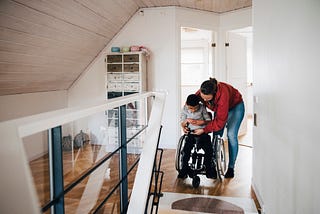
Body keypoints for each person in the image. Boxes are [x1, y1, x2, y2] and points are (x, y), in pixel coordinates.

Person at [192, 78, 245, 178]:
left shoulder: (223, 95)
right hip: (220, 109)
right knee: (216, 135)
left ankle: (231, 167)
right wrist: (186, 122)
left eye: (207, 99)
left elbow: (220, 122)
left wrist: (204, 129)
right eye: (203, 98)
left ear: (214, 93)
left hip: (235, 107)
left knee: (231, 135)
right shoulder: (201, 93)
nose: (204, 100)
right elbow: (191, 106)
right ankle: (212, 161)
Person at [178, 94, 217, 179]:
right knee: (186, 150)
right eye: (190, 108)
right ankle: (184, 169)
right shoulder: (185, 109)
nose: (192, 110)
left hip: (202, 133)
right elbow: (182, 123)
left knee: (209, 150)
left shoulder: (202, 108)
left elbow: (208, 120)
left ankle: (208, 168)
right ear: (187, 105)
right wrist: (187, 121)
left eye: (195, 108)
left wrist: (201, 122)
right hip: (191, 133)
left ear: (198, 104)